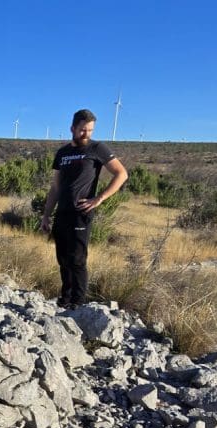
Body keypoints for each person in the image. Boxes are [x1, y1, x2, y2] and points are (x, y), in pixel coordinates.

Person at [40, 109, 128, 308]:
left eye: (90, 130)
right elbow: (56, 187)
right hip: (62, 212)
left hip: (81, 212)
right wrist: (46, 215)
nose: (86, 134)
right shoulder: (62, 153)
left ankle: (78, 303)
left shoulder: (97, 148)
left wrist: (99, 198)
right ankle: (65, 299)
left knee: (77, 259)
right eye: (82, 130)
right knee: (63, 258)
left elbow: (121, 174)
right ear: (72, 128)